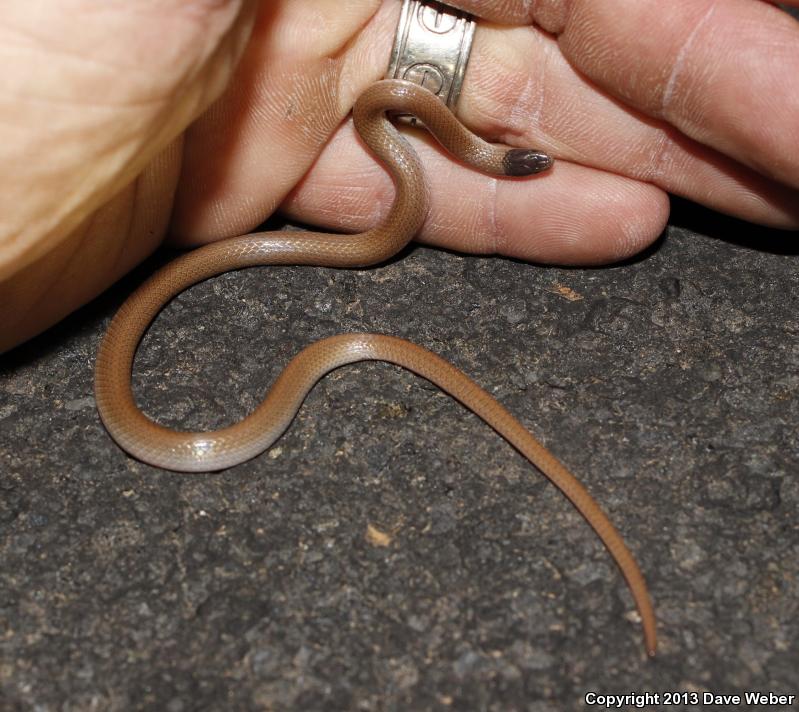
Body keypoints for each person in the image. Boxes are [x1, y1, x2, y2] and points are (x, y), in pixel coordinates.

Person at [1, 0, 797, 353]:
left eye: (524, 162)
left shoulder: (405, 138)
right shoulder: (427, 138)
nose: (531, 161)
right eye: (526, 162)